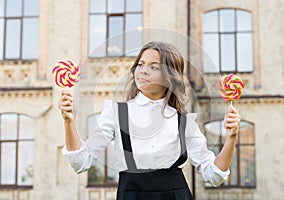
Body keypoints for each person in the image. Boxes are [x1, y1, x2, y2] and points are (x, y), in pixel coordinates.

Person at [58, 41, 241, 200]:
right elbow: (81, 162)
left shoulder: (184, 123)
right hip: (132, 194)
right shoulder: (116, 113)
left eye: (154, 67)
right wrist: (69, 122)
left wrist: (231, 138)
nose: (143, 71)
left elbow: (214, 175)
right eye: (141, 64)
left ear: (170, 78)